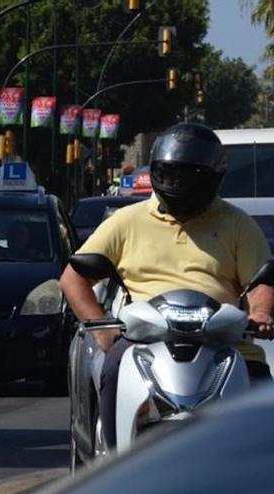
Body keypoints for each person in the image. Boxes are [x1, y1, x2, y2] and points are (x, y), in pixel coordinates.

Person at [60, 123, 274, 450]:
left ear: (211, 178)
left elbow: (261, 280)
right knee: (112, 370)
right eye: (171, 174)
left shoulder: (237, 223)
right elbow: (74, 278)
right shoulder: (125, 221)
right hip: (141, 343)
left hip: (224, 344)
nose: (178, 183)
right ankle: (113, 461)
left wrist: (260, 313)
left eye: (189, 176)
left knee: (260, 390)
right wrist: (102, 330)